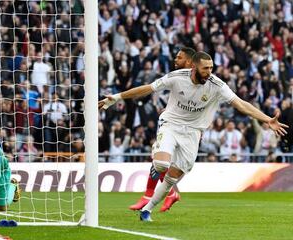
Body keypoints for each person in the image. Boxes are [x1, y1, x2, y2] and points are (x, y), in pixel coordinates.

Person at [99, 51, 288, 221]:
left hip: (193, 133)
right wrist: (116, 98)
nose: (209, 71)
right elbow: (148, 88)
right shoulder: (176, 77)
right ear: (194, 67)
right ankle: (158, 154)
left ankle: (147, 210)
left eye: (211, 68)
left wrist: (267, 120)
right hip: (171, 125)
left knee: (172, 179)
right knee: (162, 164)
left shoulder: (216, 85)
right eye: (205, 68)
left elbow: (240, 104)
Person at [129, 47, 196, 212]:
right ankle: (152, 194)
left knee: (172, 167)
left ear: (189, 62)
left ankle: (169, 193)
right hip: (170, 124)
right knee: (159, 160)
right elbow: (157, 89)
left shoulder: (206, 82)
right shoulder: (175, 77)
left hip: (190, 130)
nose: (175, 60)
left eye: (179, 58)